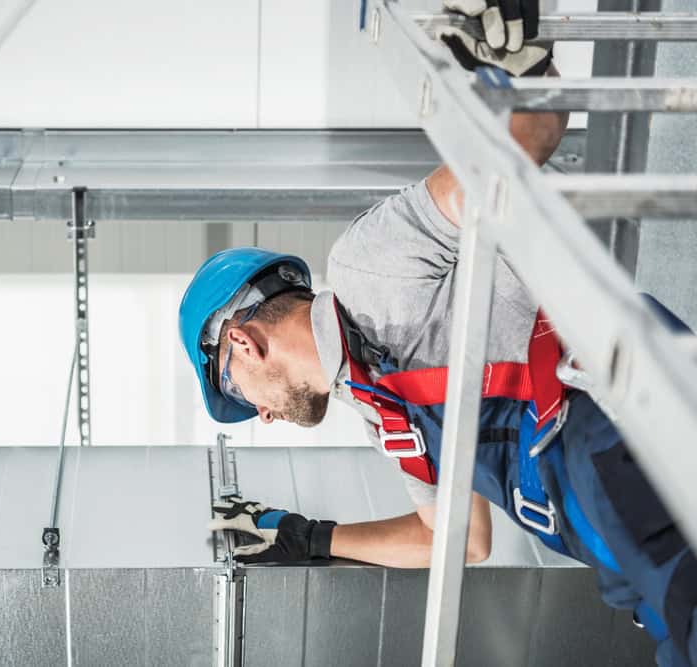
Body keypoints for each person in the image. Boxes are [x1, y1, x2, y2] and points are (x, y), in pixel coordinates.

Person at [177, 5, 697, 666]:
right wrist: (312, 537)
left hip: (606, 432)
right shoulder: (381, 414)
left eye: (244, 397)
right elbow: (457, 537)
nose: (266, 415)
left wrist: (519, 81)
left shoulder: (364, 268)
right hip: (607, 540)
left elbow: (520, 150)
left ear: (244, 345)